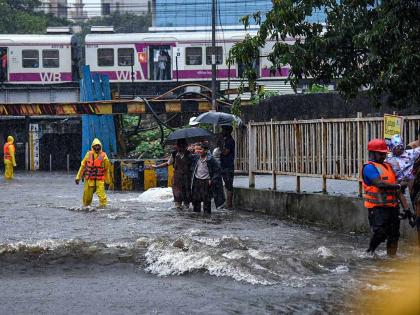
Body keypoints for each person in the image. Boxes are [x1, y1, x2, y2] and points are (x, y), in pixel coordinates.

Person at [362, 139, 407, 256]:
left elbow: (398, 191)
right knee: (380, 233)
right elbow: (379, 184)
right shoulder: (369, 168)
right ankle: (369, 252)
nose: (383, 156)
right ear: (372, 153)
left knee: (394, 235)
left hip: (392, 207)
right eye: (380, 153)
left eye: (384, 154)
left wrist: (406, 209)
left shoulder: (389, 166)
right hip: (377, 209)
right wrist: (398, 185)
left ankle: (392, 259)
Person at [153, 139, 192, 209]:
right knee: (177, 193)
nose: (180, 147)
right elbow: (168, 163)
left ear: (185, 146)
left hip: (187, 177)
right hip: (177, 177)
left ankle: (186, 207)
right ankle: (178, 207)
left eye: (182, 145)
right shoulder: (174, 154)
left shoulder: (190, 154)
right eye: (179, 145)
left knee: (187, 193)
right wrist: (156, 167)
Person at [191, 142, 225, 214]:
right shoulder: (196, 158)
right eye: (196, 149)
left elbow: (218, 170)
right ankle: (196, 217)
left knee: (206, 200)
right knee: (196, 200)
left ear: (206, 150)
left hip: (206, 182)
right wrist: (188, 151)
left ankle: (207, 217)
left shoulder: (210, 159)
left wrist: (211, 180)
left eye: (200, 149)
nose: (198, 151)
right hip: (197, 181)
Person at [75, 138, 110, 208]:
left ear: (100, 147)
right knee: (86, 200)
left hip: (99, 181)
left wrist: (107, 181)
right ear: (92, 147)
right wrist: (78, 177)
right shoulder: (88, 155)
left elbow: (106, 170)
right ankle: (86, 210)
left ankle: (103, 210)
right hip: (89, 181)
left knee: (103, 199)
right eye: (95, 146)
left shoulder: (104, 157)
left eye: (98, 146)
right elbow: (82, 166)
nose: (97, 148)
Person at [220, 125, 235, 209]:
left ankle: (229, 205)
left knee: (229, 185)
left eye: (223, 130)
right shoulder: (226, 140)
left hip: (228, 166)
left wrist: (220, 147)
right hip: (224, 165)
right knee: (226, 184)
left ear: (228, 131)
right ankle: (227, 203)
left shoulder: (230, 141)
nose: (222, 132)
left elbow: (225, 152)